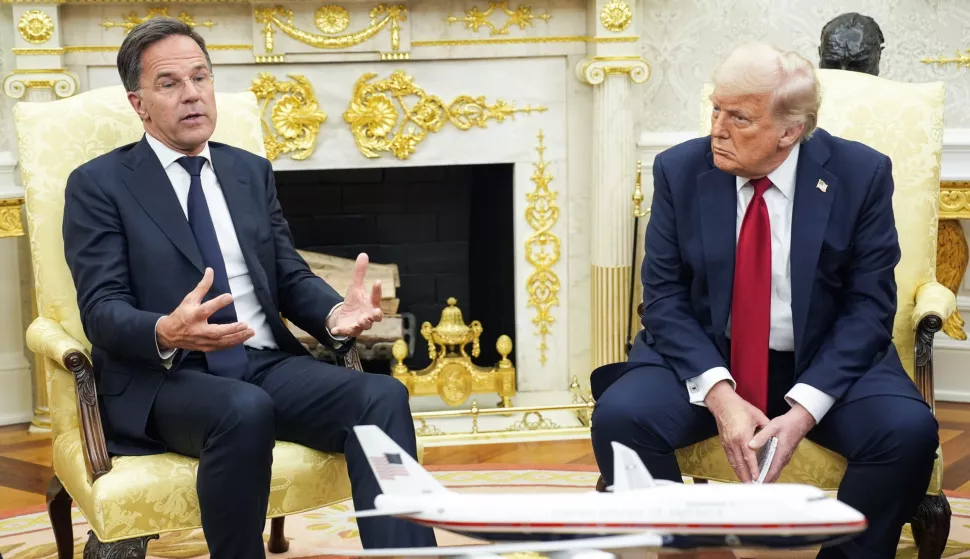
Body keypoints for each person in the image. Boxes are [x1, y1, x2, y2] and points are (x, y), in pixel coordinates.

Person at [61, 17, 437, 558]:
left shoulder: (247, 172)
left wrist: (334, 315)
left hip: (260, 363)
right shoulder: (99, 185)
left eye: (201, 77)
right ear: (138, 103)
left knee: (381, 396)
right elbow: (101, 310)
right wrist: (167, 331)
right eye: (169, 84)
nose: (192, 94)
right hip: (164, 380)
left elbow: (285, 275)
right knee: (244, 408)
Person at [589, 42, 939, 559]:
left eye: (739, 118)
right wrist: (719, 394)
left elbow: (868, 308)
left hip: (823, 360)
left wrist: (804, 410)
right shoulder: (679, 170)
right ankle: (687, 549)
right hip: (711, 356)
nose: (717, 128)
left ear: (789, 131)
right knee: (620, 418)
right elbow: (662, 298)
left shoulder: (860, 175)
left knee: (907, 433)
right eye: (715, 108)